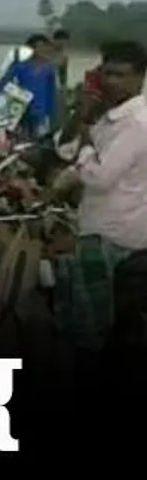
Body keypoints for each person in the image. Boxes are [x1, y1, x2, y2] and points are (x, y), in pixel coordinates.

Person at [50, 40, 147, 363]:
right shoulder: (109, 116)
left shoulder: (137, 123)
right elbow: (65, 149)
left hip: (111, 232)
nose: (111, 82)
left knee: (90, 326)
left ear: (140, 78)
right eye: (107, 74)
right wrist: (84, 113)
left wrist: (87, 153)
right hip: (101, 222)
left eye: (121, 75)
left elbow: (100, 176)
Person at [0, 33, 58, 138]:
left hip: (40, 109)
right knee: (16, 136)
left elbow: (51, 92)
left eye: (43, 47)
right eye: (37, 47)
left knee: (37, 137)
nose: (40, 50)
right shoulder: (21, 66)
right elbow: (2, 83)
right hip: (20, 105)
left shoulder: (50, 68)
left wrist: (52, 114)